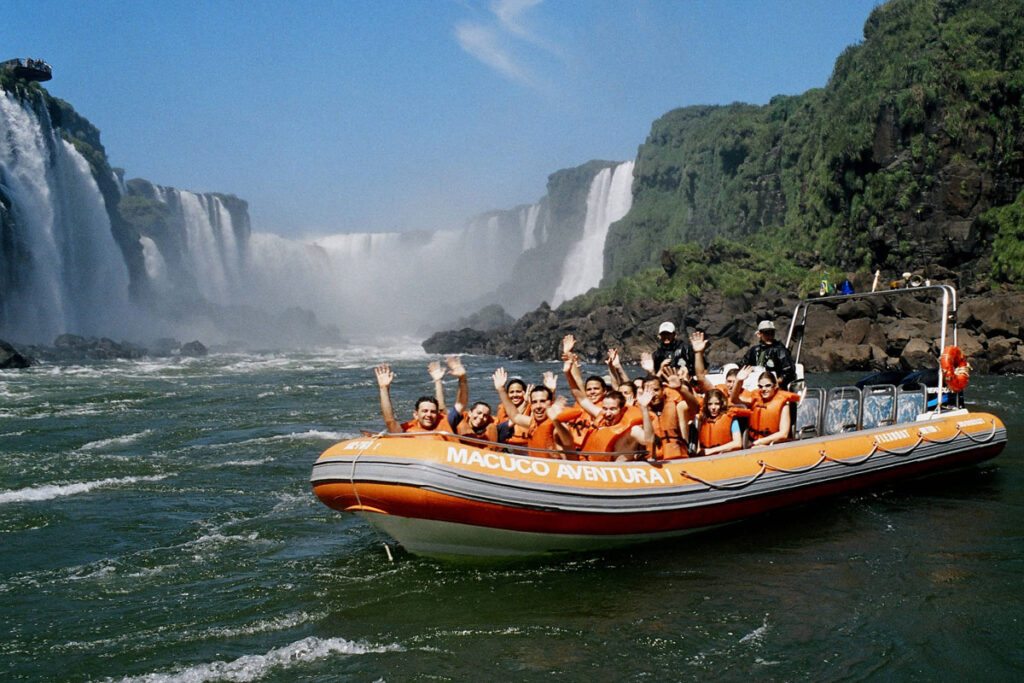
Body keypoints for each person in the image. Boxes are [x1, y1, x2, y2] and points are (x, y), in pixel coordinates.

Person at [492, 367, 560, 456]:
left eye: (518, 391)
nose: (515, 395)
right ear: (507, 394)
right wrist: (501, 389)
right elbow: (510, 421)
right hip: (509, 449)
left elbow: (545, 417)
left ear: (525, 393)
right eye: (511, 392)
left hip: (529, 449)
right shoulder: (503, 409)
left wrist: (551, 392)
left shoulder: (534, 408)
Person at [375, 363, 454, 435]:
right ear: (416, 415)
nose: (429, 415)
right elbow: (390, 421)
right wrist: (384, 388)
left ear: (437, 415)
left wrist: (438, 381)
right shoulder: (407, 432)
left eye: (433, 412)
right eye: (424, 411)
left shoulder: (443, 425)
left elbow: (442, 409)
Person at [730, 367, 799, 446]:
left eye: (768, 386)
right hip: (753, 442)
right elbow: (734, 399)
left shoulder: (783, 403)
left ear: (775, 386)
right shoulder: (755, 398)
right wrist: (738, 381)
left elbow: (784, 434)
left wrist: (760, 442)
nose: (764, 389)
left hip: (774, 444)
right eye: (761, 386)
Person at [741, 320, 797, 390]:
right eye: (766, 333)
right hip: (754, 386)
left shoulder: (781, 350)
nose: (770, 336)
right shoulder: (754, 350)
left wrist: (775, 383)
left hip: (775, 387)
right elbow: (743, 365)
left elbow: (789, 372)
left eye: (772, 333)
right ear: (759, 334)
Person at [696, 389, 746, 456]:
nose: (713, 407)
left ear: (722, 404)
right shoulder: (701, 419)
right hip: (705, 456)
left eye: (717, 404)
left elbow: (738, 443)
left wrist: (711, 450)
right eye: (710, 404)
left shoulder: (731, 418)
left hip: (725, 456)